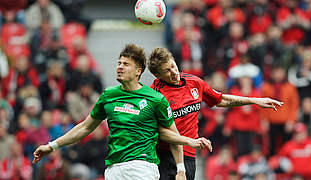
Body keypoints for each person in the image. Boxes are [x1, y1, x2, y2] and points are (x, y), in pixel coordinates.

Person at [32, 44, 212, 180]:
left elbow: (171, 134)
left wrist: (182, 164)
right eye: (119, 63)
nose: (120, 66)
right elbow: (85, 128)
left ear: (138, 71)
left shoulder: (155, 98)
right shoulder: (109, 96)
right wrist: (52, 145)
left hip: (143, 167)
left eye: (126, 64)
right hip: (113, 168)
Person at [147, 47, 283, 180]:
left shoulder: (193, 82)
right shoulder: (155, 95)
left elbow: (220, 99)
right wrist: (181, 163)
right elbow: (161, 131)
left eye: (173, 65)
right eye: (167, 70)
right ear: (158, 75)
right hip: (164, 154)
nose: (174, 72)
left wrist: (254, 100)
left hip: (189, 153)